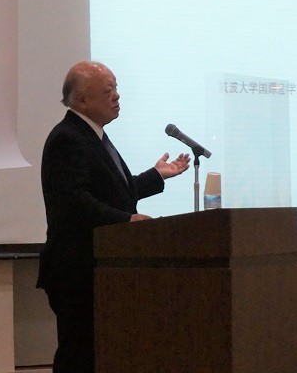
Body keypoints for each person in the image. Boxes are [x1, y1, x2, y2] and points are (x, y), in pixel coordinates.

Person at [36, 61, 190, 373]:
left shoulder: (94, 136)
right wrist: (126, 221)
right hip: (78, 270)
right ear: (82, 100)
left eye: (116, 88)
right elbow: (74, 202)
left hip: (98, 268)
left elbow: (113, 192)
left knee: (99, 355)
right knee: (79, 357)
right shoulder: (68, 138)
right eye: (108, 91)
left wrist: (156, 175)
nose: (117, 96)